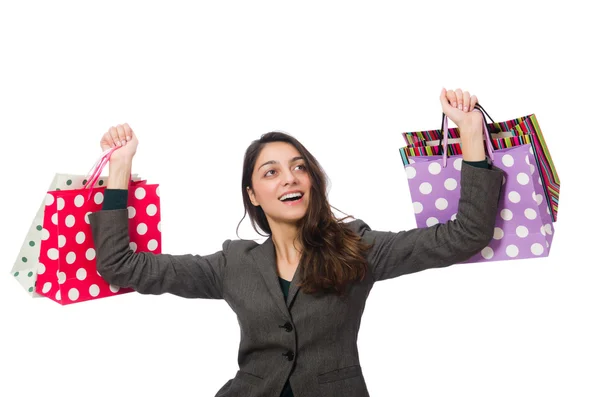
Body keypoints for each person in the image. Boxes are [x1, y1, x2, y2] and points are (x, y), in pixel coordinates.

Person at [88, 88, 503, 397]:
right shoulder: (233, 264)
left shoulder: (355, 246)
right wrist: (120, 169)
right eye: (270, 172)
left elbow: (465, 234)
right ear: (252, 195)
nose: (288, 178)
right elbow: (122, 266)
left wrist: (470, 136)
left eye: (298, 167)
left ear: (311, 180)